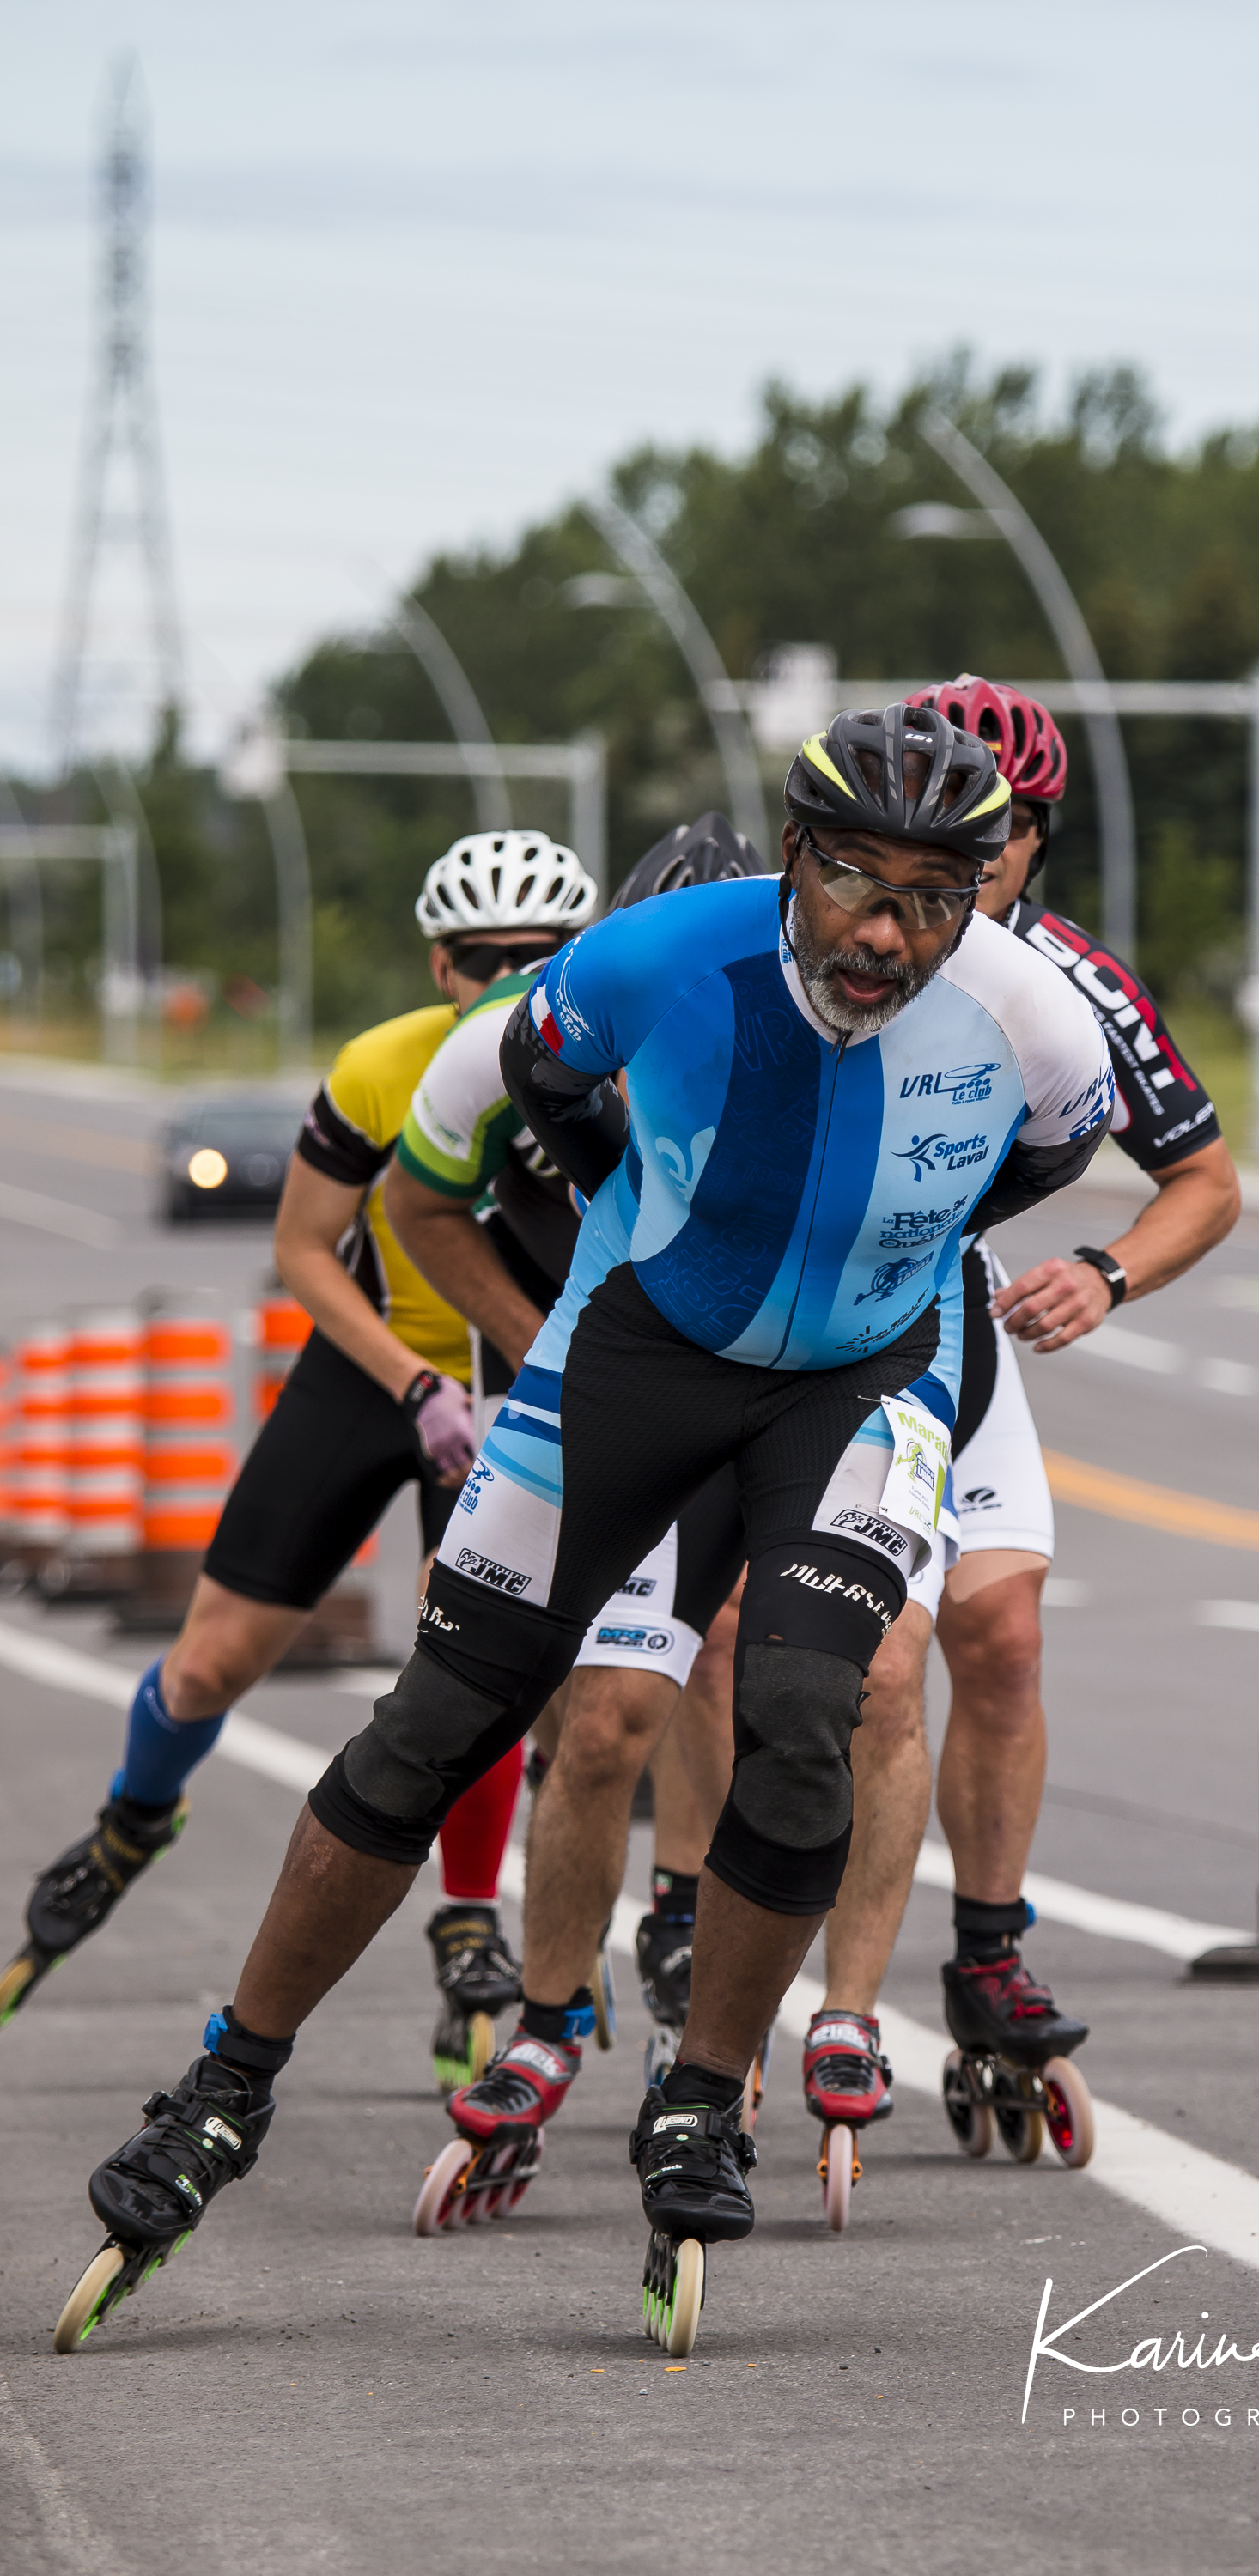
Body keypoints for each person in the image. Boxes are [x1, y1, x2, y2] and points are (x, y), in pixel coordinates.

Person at [61, 702, 1113, 2335]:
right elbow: (441, 1165)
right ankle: (226, 2086)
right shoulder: (643, 965)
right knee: (438, 1728)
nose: (889, 933)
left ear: (983, 894)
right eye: (854, 883)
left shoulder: (1038, 1020)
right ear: (791, 859)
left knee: (802, 1716)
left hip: (860, 1382)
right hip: (631, 1355)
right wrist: (558, 1270)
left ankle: (697, 2094)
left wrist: (871, 1268)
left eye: (934, 894)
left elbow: (1041, 1165)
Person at [3, 830, 596, 2105]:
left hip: (507, 1383)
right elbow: (306, 1247)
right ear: (442, 965)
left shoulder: (611, 1064)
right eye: (484, 959)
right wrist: (411, 1383)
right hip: (381, 1369)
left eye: (539, 957)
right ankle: (129, 1820)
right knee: (211, 1661)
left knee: (473, 1649)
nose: (509, 977)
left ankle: (468, 1917)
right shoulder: (386, 1065)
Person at [795, 677, 1241, 2135]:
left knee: (999, 1632)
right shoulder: (829, 936)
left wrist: (1107, 1274)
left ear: (1033, 841)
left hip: (949, 1321)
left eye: (998, 842)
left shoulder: (1066, 977)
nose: (961, 872)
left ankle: (988, 1958)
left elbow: (1208, 1182)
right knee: (871, 1656)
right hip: (808, 1323)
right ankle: (748, 1949)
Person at [384, 817, 764, 2119]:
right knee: (576, 1717)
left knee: (710, 1649)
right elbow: (403, 1207)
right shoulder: (541, 1038)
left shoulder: (822, 1049)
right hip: (562, 1365)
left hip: (723, 1376)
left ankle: (673, 1914)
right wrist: (515, 1341)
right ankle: (531, 1973)